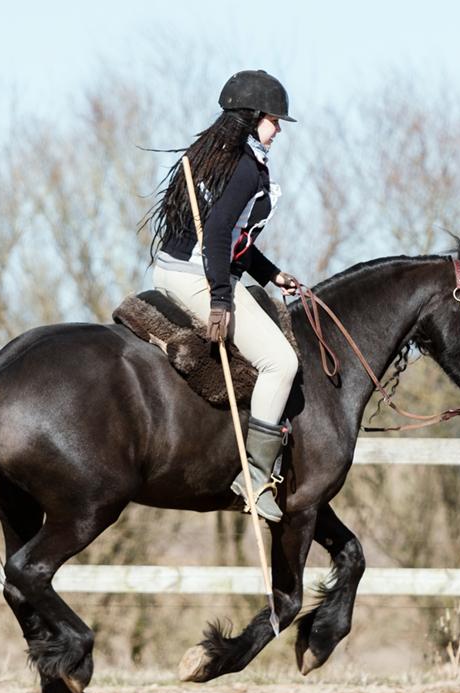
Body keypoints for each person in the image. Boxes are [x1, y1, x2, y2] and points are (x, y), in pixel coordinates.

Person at [149, 69, 301, 522]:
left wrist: (272, 274)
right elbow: (216, 234)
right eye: (274, 120)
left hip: (176, 269)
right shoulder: (245, 168)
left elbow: (234, 238)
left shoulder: (219, 156)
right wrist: (220, 298)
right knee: (282, 363)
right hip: (198, 277)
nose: (277, 130)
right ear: (253, 117)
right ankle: (254, 476)